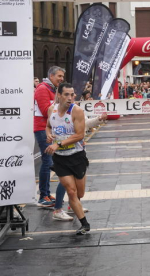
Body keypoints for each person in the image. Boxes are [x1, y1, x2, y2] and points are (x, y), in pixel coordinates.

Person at [45, 83, 90, 235]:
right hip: (60, 159)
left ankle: (77, 204)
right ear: (58, 95)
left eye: (72, 95)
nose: (70, 98)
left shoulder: (76, 111)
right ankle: (84, 224)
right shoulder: (52, 110)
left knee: (79, 193)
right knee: (71, 192)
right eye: (66, 95)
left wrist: (58, 144)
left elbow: (79, 135)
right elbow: (48, 126)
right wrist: (48, 134)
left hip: (77, 156)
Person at [34, 66, 65, 207]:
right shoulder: (42, 89)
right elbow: (47, 110)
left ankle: (46, 193)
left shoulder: (51, 89)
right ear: (51, 76)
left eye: (62, 76)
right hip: (42, 129)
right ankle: (42, 196)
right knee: (47, 161)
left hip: (48, 129)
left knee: (49, 161)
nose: (62, 79)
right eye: (59, 76)